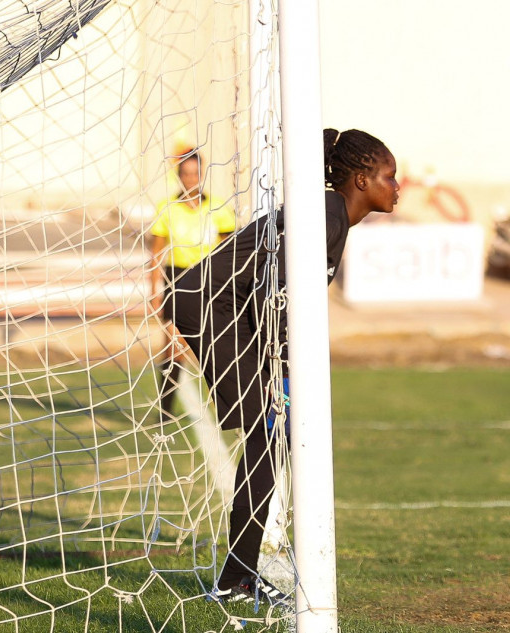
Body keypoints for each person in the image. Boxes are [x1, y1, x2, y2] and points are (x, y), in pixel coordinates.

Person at [169, 128, 399, 605]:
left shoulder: (331, 217)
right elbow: (269, 293)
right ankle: (235, 580)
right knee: (269, 436)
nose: (399, 187)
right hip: (208, 306)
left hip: (223, 311)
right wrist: (286, 366)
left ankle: (236, 578)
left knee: (268, 444)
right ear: (360, 180)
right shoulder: (328, 217)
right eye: (390, 176)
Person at [150, 149, 235, 420]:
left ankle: (227, 403)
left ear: (202, 175)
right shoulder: (166, 208)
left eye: (195, 173)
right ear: (179, 176)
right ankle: (165, 409)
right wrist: (155, 291)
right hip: (176, 277)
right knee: (172, 343)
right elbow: (157, 254)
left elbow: (230, 248)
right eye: (186, 174)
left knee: (210, 343)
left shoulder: (218, 207)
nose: (191, 179)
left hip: (209, 277)